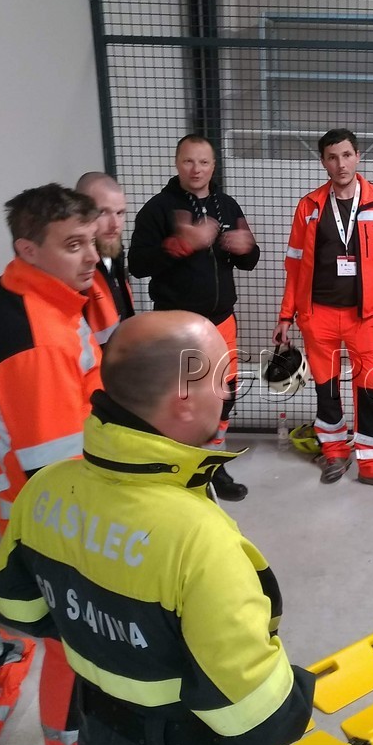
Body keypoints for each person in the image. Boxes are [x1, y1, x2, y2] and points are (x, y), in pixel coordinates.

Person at [0, 311, 315, 745]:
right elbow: (260, 717)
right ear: (184, 399)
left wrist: (107, 644)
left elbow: (19, 608)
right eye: (221, 378)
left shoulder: (42, 490)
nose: (227, 391)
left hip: (98, 731)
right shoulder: (198, 541)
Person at [0, 183, 103, 745]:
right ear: (28, 249)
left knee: (70, 648)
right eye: (74, 245)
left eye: (91, 240)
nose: (92, 256)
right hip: (57, 523)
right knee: (76, 648)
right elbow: (59, 472)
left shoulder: (20, 294)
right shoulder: (38, 341)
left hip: (33, 507)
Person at [272, 128, 373, 494]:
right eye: (332, 157)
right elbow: (294, 267)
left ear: (357, 157)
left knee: (371, 391)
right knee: (327, 390)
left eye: (347, 155)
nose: (341, 164)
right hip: (317, 314)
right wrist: (286, 315)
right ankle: (334, 453)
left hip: (365, 316)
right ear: (324, 162)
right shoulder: (309, 206)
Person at [128, 134, 258, 502]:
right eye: (188, 161)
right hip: (177, 326)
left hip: (222, 322)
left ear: (213, 166)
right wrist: (182, 244)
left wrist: (247, 248)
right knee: (180, 401)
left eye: (203, 162)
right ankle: (179, 469)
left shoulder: (227, 205)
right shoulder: (157, 209)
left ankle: (212, 466)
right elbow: (137, 264)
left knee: (224, 395)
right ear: (177, 163)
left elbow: (250, 260)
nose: (196, 169)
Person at [76, 172, 134, 345]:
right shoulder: (72, 268)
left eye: (120, 213)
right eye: (103, 212)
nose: (115, 224)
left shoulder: (114, 254)